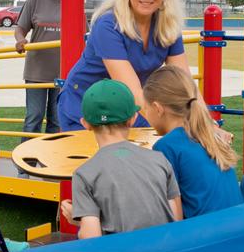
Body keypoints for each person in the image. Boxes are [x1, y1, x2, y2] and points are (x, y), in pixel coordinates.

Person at [54, 0, 189, 131]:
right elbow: (132, 92)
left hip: (126, 106)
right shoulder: (108, 25)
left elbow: (184, 84)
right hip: (86, 105)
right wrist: (177, 126)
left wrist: (202, 123)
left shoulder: (168, 25)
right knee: (101, 159)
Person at [63, 80, 180, 239]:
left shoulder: (84, 174)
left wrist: (79, 220)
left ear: (85, 124)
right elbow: (176, 219)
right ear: (133, 118)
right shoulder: (159, 159)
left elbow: (91, 239)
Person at [141, 66, 240, 218]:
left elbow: (167, 213)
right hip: (237, 226)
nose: (145, 114)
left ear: (157, 108)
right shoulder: (209, 135)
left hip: (205, 234)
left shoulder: (166, 147)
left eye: (145, 109)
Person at [14, 0, 66, 133]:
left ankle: (50, 160)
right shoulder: (35, 0)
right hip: (37, 70)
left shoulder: (72, 1)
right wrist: (20, 40)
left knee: (56, 119)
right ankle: (28, 160)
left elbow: (83, 35)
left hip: (63, 71)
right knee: (33, 118)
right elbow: (20, 28)